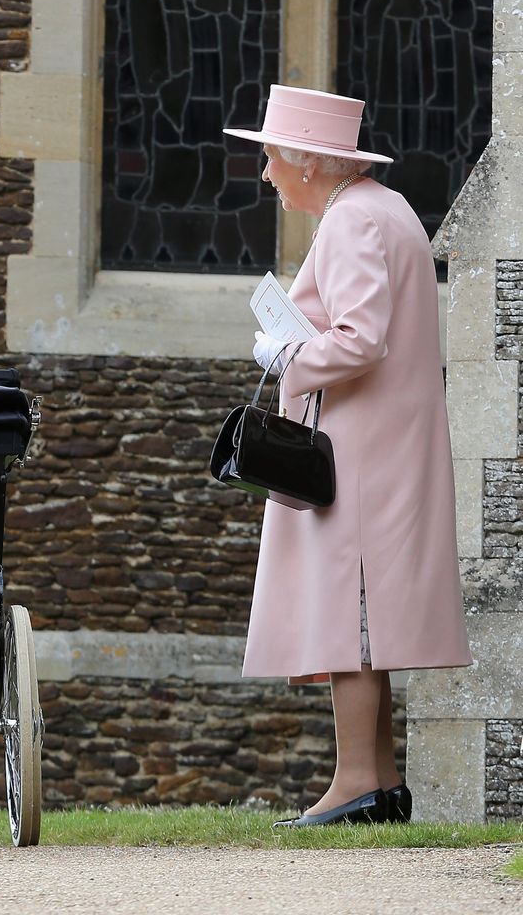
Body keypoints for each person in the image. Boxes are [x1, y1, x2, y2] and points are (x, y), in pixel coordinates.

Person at [223, 85, 472, 827]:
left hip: (360, 451)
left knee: (351, 614)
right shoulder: (381, 210)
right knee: (368, 615)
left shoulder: (353, 219)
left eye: (271, 156)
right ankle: (381, 782)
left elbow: (361, 338)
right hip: (379, 445)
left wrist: (287, 354)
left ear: (308, 162)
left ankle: (357, 782)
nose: (266, 172)